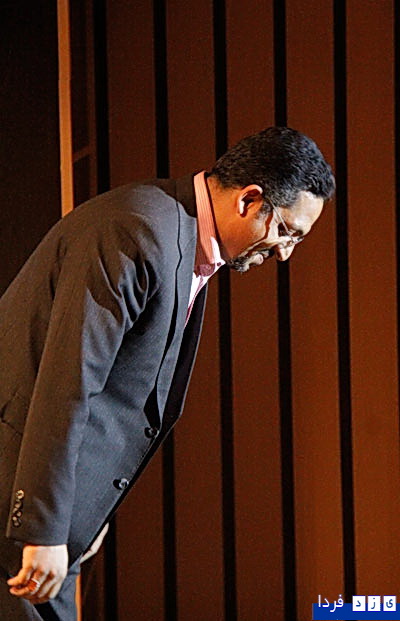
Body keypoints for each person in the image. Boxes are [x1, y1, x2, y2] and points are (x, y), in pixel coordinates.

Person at [0, 127, 335, 619]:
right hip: (18, 508)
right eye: (288, 232)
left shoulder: (177, 231)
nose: (285, 252)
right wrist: (43, 528)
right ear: (249, 200)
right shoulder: (136, 231)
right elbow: (67, 383)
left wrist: (86, 512)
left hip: (57, 514)